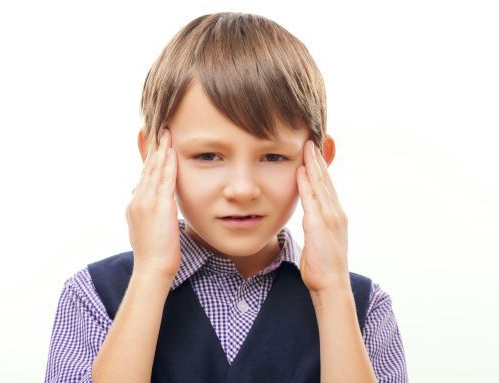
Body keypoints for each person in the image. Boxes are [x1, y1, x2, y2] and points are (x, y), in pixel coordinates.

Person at [44, 12, 408, 383]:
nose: (242, 189)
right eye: (208, 156)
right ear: (153, 151)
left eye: (273, 157)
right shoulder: (92, 297)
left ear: (319, 159)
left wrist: (332, 290)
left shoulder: (365, 308)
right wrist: (151, 272)